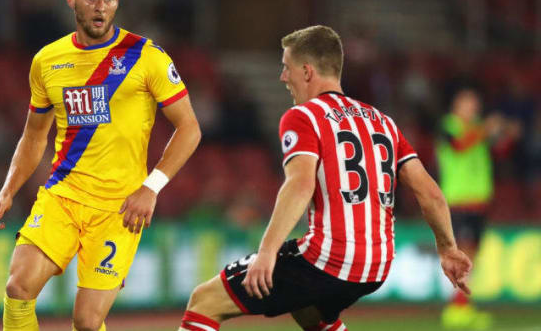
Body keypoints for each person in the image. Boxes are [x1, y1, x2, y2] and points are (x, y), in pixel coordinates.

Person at [178, 25, 472, 331]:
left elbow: (300, 184)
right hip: (377, 263)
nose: (282, 77)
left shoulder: (303, 117)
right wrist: (448, 248)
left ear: (306, 72)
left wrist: (266, 253)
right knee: (308, 311)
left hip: (329, 258)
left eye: (286, 68)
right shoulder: (383, 122)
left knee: (205, 301)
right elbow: (431, 194)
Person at [0, 0, 201, 331]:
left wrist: (151, 188)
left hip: (119, 209)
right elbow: (35, 134)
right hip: (63, 195)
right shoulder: (47, 61)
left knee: (87, 322)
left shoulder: (146, 56)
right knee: (18, 286)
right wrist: (8, 190)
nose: (101, 6)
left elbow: (190, 129)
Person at [437, 88, 502, 330]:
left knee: (471, 257)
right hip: (458, 202)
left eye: (475, 103)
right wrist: (486, 129)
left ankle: (462, 307)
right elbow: (459, 146)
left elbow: (499, 151)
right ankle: (454, 310)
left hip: (479, 202)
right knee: (461, 256)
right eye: (468, 103)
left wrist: (505, 133)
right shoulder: (448, 126)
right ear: (456, 105)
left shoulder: (477, 128)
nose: (473, 108)